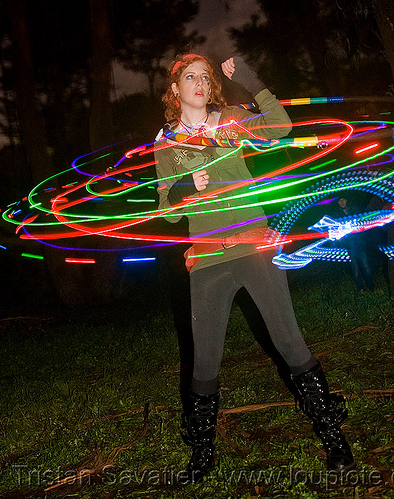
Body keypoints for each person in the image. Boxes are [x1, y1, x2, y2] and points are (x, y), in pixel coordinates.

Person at [154, 53, 355, 483]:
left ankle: (335, 440)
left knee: (289, 342)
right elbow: (166, 211)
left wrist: (249, 77)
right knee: (204, 362)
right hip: (207, 259)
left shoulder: (228, 119)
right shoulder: (165, 144)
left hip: (253, 245)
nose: (200, 84)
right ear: (174, 89)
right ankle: (202, 455)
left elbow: (281, 126)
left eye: (205, 78)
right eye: (190, 78)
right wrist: (187, 188)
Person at [333, 197, 375, 293]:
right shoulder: (337, 215)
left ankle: (371, 287)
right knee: (355, 270)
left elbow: (363, 224)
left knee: (366, 267)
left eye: (343, 200)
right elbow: (336, 231)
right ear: (338, 203)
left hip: (360, 244)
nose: (342, 202)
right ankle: (360, 288)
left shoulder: (354, 211)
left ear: (347, 200)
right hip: (349, 246)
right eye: (340, 201)